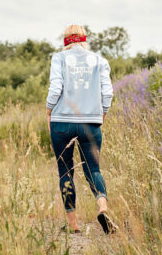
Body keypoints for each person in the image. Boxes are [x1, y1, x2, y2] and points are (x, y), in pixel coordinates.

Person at [46, 24, 116, 234]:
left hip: (62, 121)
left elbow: (56, 87)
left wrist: (49, 109)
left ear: (65, 41)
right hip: (91, 122)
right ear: (84, 40)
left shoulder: (59, 58)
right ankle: (103, 207)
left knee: (65, 171)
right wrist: (102, 113)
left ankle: (73, 224)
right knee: (93, 169)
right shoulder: (99, 61)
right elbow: (108, 93)